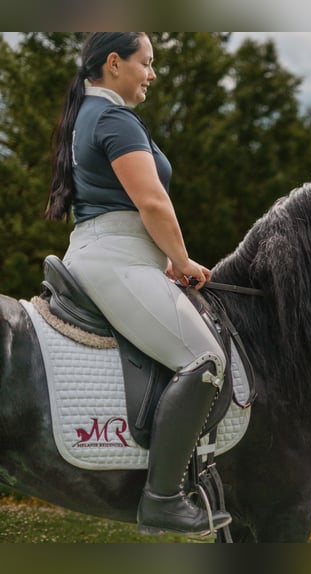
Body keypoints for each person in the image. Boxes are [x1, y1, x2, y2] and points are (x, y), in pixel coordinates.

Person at [44, 32, 231, 536]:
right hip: (117, 258)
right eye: (146, 63)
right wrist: (182, 260)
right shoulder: (113, 118)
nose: (152, 74)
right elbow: (150, 202)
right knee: (205, 361)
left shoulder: (89, 114)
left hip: (110, 251)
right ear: (114, 63)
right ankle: (163, 498)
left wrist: (163, 258)